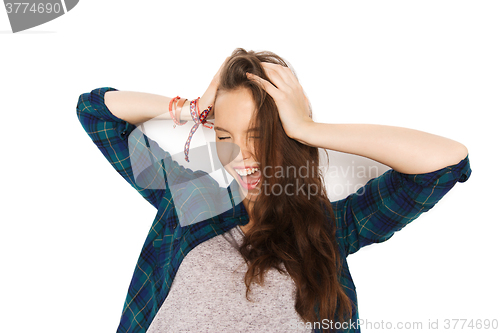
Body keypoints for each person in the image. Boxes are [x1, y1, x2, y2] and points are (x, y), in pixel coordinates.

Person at [76, 48, 471, 333]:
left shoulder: (332, 230)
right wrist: (192, 108)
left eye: (260, 136)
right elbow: (96, 112)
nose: (242, 156)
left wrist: (308, 130)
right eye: (226, 135)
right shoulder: (191, 201)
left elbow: (445, 163)